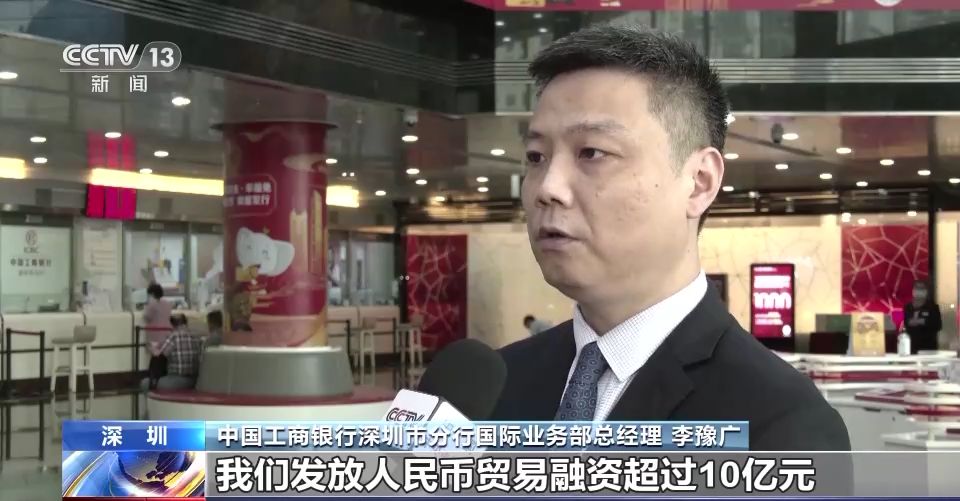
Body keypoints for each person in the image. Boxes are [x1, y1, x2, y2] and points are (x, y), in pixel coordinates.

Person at [490, 25, 850, 452]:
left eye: (592, 153)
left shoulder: (783, 424)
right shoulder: (494, 386)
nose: (548, 187)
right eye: (536, 157)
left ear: (699, 182)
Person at [141, 314, 205, 391]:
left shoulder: (174, 337)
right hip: (195, 379)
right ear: (186, 323)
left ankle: (152, 394)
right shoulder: (196, 337)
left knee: (145, 383)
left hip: (176, 379)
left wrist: (152, 348)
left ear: (172, 325)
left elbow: (159, 355)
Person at [903, 279, 942, 353]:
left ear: (926, 291)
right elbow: (905, 324)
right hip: (911, 347)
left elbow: (938, 325)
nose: (919, 291)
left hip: (928, 347)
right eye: (917, 288)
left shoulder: (933, 307)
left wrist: (922, 321)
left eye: (921, 288)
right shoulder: (907, 307)